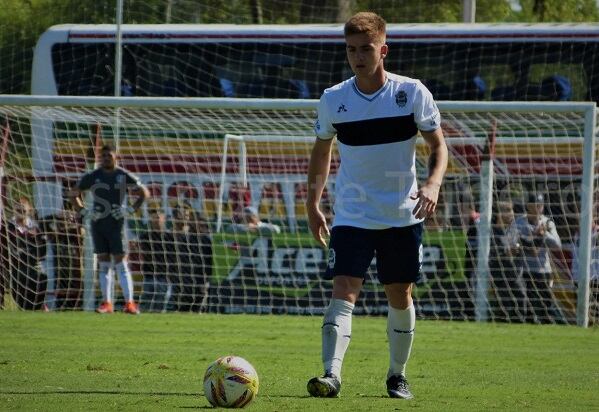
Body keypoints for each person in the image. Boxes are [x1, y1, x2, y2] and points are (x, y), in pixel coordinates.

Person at [305, 12, 447, 400]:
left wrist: (432, 184)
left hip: (403, 213)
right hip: (351, 213)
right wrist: (313, 204)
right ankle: (331, 375)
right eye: (351, 50)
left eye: (366, 49)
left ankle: (397, 376)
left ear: (383, 49)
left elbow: (439, 147)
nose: (358, 57)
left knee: (400, 294)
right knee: (343, 288)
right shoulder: (334, 99)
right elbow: (321, 153)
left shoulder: (412, 92)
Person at [70, 144, 149, 314]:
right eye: (103, 155)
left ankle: (129, 303)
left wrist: (130, 209)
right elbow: (73, 193)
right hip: (98, 224)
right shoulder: (93, 176)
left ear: (116, 157)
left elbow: (144, 192)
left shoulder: (122, 175)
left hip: (116, 224)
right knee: (104, 262)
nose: (106, 158)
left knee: (121, 262)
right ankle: (107, 303)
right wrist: (84, 211)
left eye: (109, 155)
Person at [514, 192, 565, 324]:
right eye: (535, 205)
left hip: (543, 271)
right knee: (527, 305)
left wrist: (545, 234)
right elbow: (511, 242)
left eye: (540, 205)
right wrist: (521, 244)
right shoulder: (519, 222)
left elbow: (558, 245)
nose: (538, 208)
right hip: (525, 270)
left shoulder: (547, 222)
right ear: (528, 206)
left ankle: (552, 326)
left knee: (546, 303)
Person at [3, 197, 47, 310]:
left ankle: (44, 304)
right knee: (21, 277)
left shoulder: (36, 227)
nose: (20, 209)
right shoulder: (7, 228)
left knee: (43, 275)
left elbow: (43, 250)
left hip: (35, 264)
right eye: (18, 207)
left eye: (23, 208)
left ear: (29, 209)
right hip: (16, 266)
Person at [488, 200, 525, 322]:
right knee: (505, 309)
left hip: (515, 276)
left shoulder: (514, 231)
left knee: (521, 303)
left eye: (512, 210)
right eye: (508, 210)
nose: (512, 213)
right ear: (499, 214)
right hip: (499, 278)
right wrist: (506, 254)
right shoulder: (491, 233)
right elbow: (491, 257)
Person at [139, 207, 174, 312]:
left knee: (160, 303)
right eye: (154, 217)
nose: (156, 220)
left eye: (158, 217)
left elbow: (172, 257)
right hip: (149, 275)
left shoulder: (170, 237)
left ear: (163, 218)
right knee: (146, 303)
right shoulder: (145, 236)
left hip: (164, 276)